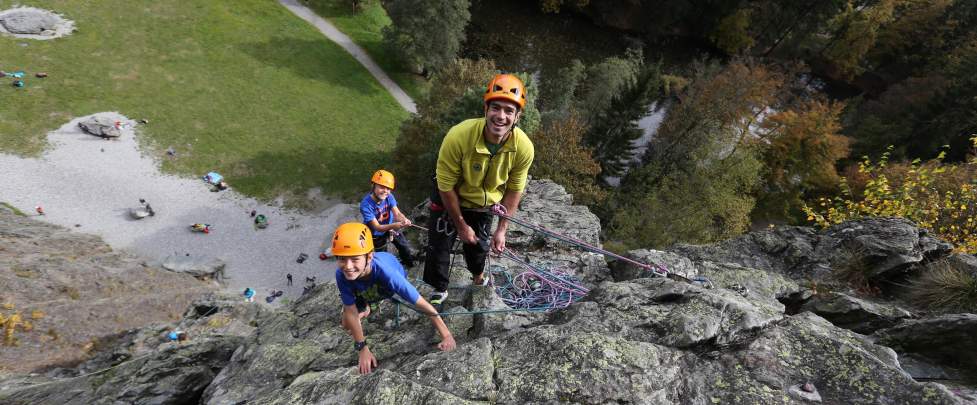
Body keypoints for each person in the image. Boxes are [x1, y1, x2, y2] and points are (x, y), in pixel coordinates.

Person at [423, 73, 534, 307]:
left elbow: (515, 190)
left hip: (483, 204)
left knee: (478, 247)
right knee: (439, 245)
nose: (501, 116)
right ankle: (439, 287)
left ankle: (478, 277)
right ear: (486, 108)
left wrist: (502, 229)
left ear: (517, 116)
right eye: (496, 108)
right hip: (451, 196)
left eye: (509, 111)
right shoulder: (459, 136)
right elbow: (446, 185)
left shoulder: (523, 147)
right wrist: (461, 225)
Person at [332, 222, 455, 374]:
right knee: (345, 324)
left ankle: (370, 304)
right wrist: (362, 348)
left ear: (369, 256)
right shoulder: (342, 274)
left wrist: (446, 335)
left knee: (357, 311)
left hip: (385, 286)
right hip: (365, 287)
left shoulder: (388, 275)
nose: (348, 266)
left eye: (355, 259)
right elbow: (350, 312)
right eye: (342, 259)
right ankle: (367, 306)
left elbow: (422, 304)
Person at [360, 169, 415, 267]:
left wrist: (404, 219)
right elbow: (377, 227)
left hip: (391, 227)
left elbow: (397, 213)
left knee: (404, 246)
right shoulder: (366, 205)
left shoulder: (389, 197)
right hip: (376, 234)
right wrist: (394, 225)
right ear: (373, 185)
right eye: (382, 187)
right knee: (382, 255)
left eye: (388, 188)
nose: (385, 191)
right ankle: (385, 269)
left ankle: (409, 264)